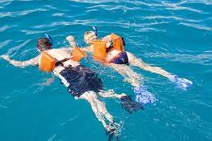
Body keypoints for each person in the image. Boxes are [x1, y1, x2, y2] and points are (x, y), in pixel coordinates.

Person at [1, 36, 142, 137]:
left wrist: (8, 59)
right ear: (50, 45)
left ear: (39, 49)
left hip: (70, 76)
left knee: (91, 98)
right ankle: (120, 95)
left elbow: (20, 64)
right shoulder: (63, 49)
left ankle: (108, 124)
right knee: (100, 92)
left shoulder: (39, 58)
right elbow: (77, 50)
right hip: (84, 70)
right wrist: (71, 41)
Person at [65, 29, 193, 104]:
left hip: (114, 61)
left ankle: (142, 92)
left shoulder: (88, 48)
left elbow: (75, 49)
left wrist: (71, 40)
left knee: (132, 76)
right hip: (124, 54)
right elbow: (115, 37)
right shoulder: (105, 39)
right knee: (148, 67)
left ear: (87, 40)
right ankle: (173, 77)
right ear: (96, 35)